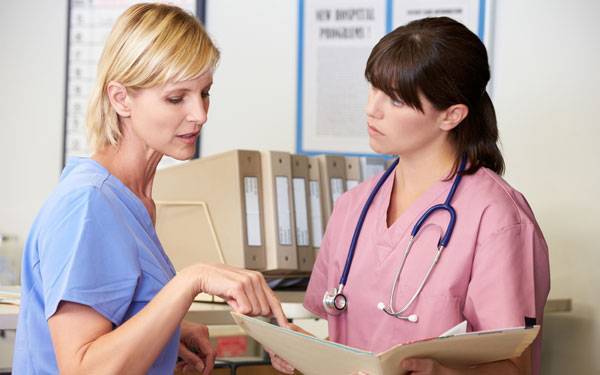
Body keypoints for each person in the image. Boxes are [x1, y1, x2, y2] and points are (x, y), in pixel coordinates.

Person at [12, 4, 287, 374]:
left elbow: (113, 316)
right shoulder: (89, 203)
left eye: (205, 93)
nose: (200, 114)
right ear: (121, 98)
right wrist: (192, 279)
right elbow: (84, 369)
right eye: (177, 98)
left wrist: (169, 331)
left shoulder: (135, 201)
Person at [272, 17, 550, 375]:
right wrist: (306, 354)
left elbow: (516, 366)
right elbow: (360, 347)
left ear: (451, 115)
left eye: (396, 99)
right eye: (373, 88)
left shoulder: (497, 216)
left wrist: (442, 374)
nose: (372, 109)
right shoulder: (353, 207)